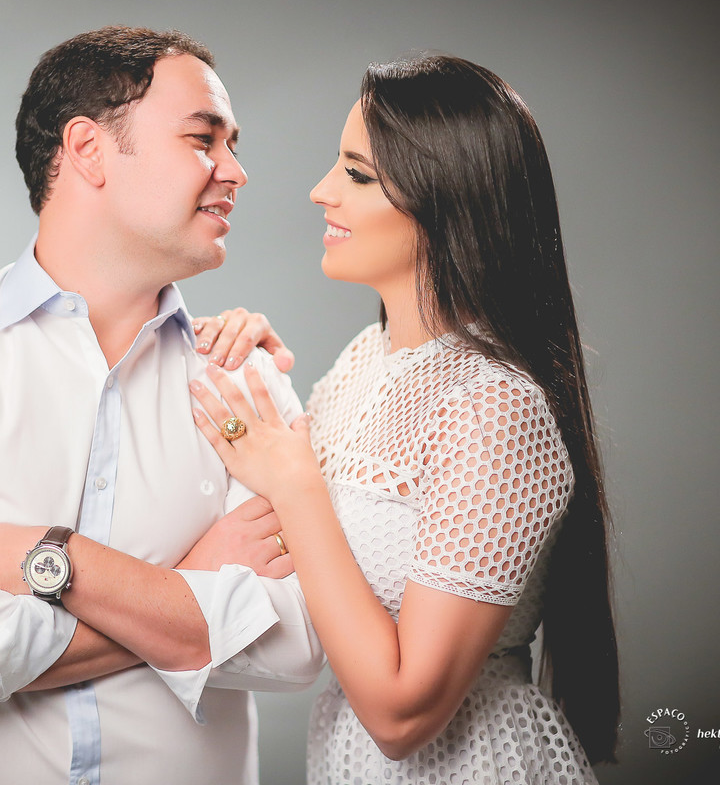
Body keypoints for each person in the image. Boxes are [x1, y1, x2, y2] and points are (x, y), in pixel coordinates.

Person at [0, 26, 323, 785]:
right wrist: (193, 585)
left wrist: (60, 564)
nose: (235, 171)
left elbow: (298, 645)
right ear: (88, 150)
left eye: (231, 145)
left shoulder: (243, 381)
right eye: (203, 139)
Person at [191, 55, 620, 783]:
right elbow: (289, 551)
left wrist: (296, 485)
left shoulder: (495, 405)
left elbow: (401, 715)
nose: (321, 190)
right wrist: (244, 367)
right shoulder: (366, 360)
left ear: (448, 199)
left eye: (358, 174)